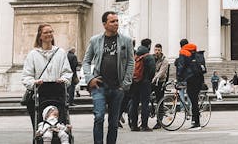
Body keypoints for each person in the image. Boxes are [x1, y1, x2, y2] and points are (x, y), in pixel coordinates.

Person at [82, 10, 134, 144]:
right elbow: (86, 61)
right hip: (99, 86)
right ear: (105, 24)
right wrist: (90, 78)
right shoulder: (95, 40)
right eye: (113, 21)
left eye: (117, 21)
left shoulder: (126, 41)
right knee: (99, 117)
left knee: (113, 122)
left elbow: (130, 62)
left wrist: (125, 84)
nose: (116, 23)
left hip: (117, 87)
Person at [22, 23, 72, 127]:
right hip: (39, 93)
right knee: (38, 123)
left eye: (51, 32)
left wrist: (63, 79)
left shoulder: (60, 52)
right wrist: (33, 82)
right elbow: (27, 75)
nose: (49, 34)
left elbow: (67, 72)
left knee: (60, 122)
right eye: (46, 32)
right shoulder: (33, 54)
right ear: (40, 36)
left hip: (57, 92)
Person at [176, 39, 205, 130]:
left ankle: (196, 122)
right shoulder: (195, 52)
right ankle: (195, 117)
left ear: (181, 45)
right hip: (199, 77)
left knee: (193, 99)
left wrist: (179, 78)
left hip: (191, 78)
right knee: (194, 99)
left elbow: (181, 66)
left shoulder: (183, 52)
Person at [129, 38, 156, 132]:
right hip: (145, 83)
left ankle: (134, 125)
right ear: (149, 45)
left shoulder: (135, 55)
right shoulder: (149, 57)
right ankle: (144, 125)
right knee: (145, 103)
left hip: (135, 82)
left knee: (134, 103)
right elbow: (153, 70)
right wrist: (149, 79)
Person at [151, 43, 169, 129]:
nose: (157, 52)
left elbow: (161, 72)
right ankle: (151, 110)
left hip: (160, 82)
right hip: (152, 81)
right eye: (155, 50)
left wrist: (155, 77)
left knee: (160, 101)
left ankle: (159, 121)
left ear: (161, 51)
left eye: (158, 50)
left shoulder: (164, 60)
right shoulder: (152, 58)